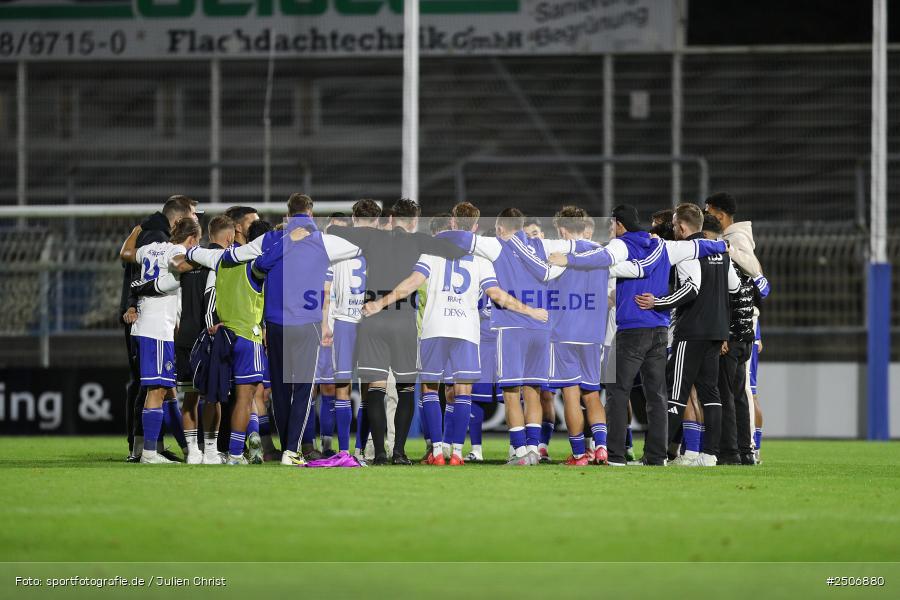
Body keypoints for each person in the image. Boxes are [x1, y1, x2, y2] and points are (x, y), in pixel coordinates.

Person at [549, 204, 727, 466]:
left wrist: (569, 260)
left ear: (619, 224)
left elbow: (602, 260)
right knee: (656, 396)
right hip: (659, 331)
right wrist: (724, 247)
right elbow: (699, 247)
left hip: (632, 330)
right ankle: (656, 457)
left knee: (617, 392)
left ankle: (617, 455)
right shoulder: (664, 246)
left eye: (611, 225)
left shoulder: (621, 246)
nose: (611, 230)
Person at [363, 215, 547, 467]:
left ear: (451, 227)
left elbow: (411, 283)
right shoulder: (481, 259)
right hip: (465, 330)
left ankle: (438, 451)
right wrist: (531, 311)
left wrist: (379, 303)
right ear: (472, 230)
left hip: (435, 328)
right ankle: (458, 454)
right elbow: (497, 295)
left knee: (430, 390)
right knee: (463, 392)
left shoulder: (431, 252)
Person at [325, 199, 471, 465]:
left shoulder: (371, 237)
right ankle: (400, 453)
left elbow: (335, 231)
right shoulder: (419, 241)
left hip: (373, 319)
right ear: (414, 221)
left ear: (390, 219)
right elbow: (457, 251)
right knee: (405, 390)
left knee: (376, 390)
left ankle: (379, 453)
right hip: (403, 322)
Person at [633, 204, 740, 467]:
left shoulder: (687, 252)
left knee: (674, 393)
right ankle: (710, 455)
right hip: (716, 331)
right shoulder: (719, 251)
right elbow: (734, 287)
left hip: (692, 331)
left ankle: (655, 455)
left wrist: (657, 302)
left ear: (681, 227)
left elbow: (690, 289)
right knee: (710, 394)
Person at [119, 218, 201, 464]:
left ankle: (185, 450)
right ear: (192, 239)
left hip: (148, 326)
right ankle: (150, 453)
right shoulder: (177, 251)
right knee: (156, 390)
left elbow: (125, 253)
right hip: (156, 328)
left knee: (165, 391)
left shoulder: (150, 247)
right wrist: (199, 260)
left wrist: (135, 231)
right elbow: (179, 263)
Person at [547, 207, 612, 466]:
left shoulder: (556, 254)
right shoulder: (601, 252)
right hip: (593, 334)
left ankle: (578, 455)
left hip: (565, 333)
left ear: (562, 229)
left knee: (571, 395)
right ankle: (602, 449)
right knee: (592, 395)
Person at [701, 214, 759, 465]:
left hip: (731, 338)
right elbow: (753, 296)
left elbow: (726, 300)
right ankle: (746, 451)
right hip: (746, 336)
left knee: (726, 396)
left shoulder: (722, 257)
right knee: (739, 396)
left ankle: (730, 452)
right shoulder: (746, 259)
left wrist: (723, 334)